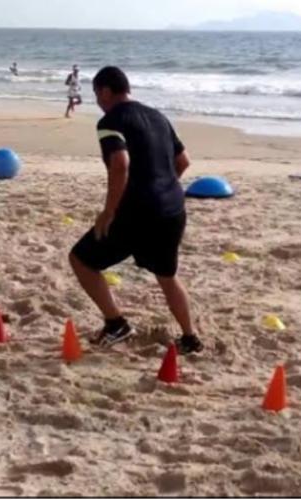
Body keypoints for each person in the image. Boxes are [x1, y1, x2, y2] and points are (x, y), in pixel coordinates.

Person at [69, 66, 203, 355]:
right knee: (167, 276)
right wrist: (162, 187)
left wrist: (108, 212)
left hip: (137, 213)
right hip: (172, 209)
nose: (98, 101)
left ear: (106, 91)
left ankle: (116, 324)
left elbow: (120, 164)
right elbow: (183, 161)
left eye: (97, 94)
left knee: (81, 259)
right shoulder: (158, 117)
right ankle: (190, 338)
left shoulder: (111, 120)